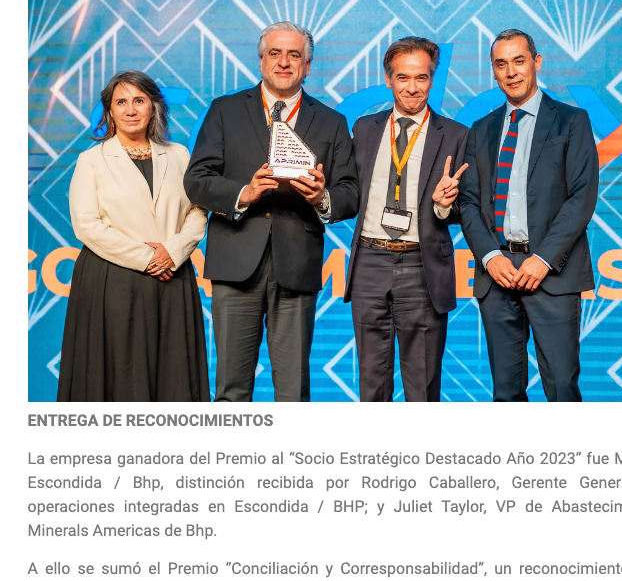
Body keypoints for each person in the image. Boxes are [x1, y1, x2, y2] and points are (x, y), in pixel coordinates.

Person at [183, 23, 358, 401]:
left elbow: (350, 192)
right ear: (261, 60)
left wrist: (322, 197)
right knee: (231, 389)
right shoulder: (225, 110)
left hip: (297, 264)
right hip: (234, 261)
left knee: (293, 391)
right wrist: (242, 193)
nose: (284, 62)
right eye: (275, 53)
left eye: (294, 55)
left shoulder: (332, 121)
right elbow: (197, 179)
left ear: (307, 66)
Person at [458, 28, 599, 404]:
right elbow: (468, 202)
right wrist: (490, 257)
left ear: (537, 62)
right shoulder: (481, 129)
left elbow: (582, 196)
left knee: (562, 389)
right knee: (505, 393)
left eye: (519, 61)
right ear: (493, 70)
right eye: (501, 64)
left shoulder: (571, 120)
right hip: (497, 274)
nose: (511, 72)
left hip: (552, 274)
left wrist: (544, 259)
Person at [57, 72, 209, 402]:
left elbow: (198, 211)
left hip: (173, 276)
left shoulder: (179, 155)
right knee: (118, 377)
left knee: (175, 376)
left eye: (139, 100)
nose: (130, 110)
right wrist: (149, 257)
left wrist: (172, 251)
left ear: (153, 107)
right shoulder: (91, 160)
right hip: (112, 280)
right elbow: (86, 224)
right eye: (121, 102)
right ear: (109, 112)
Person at [344, 37, 468, 403]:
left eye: (421, 77)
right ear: (388, 79)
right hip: (369, 262)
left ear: (432, 80)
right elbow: (349, 192)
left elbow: (467, 207)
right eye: (403, 77)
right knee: (371, 381)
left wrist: (444, 205)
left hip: (422, 265)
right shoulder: (364, 128)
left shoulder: (456, 135)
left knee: (422, 385)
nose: (412, 87)